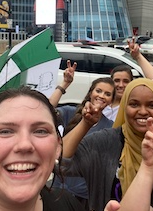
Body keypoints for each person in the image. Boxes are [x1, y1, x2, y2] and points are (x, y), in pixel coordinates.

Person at [61, 78, 153, 211]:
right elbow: (60, 163)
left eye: (152, 105)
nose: (142, 111)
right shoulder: (105, 142)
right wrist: (86, 124)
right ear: (124, 106)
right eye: (134, 104)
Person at [0, 86, 85, 211]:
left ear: (57, 147)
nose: (25, 145)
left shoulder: (67, 203)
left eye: (40, 131)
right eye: (5, 131)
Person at [53, 77, 115, 209]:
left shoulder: (111, 128)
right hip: (58, 189)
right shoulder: (70, 113)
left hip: (85, 196)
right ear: (91, 92)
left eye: (108, 94)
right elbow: (47, 108)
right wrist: (64, 84)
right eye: (98, 91)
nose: (102, 96)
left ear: (111, 101)